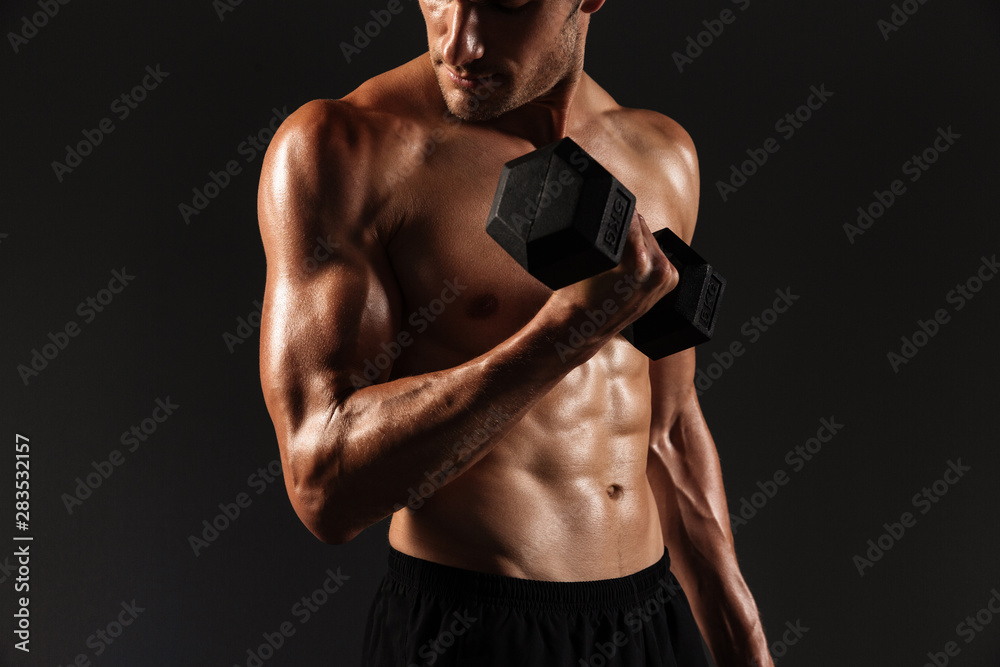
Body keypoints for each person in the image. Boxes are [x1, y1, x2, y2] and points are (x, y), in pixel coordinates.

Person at [257, 0, 773, 664]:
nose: (460, 42)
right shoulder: (347, 150)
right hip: (474, 631)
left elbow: (668, 428)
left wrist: (744, 640)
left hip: (651, 622)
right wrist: (569, 329)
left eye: (504, 4)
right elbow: (321, 482)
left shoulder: (660, 154)